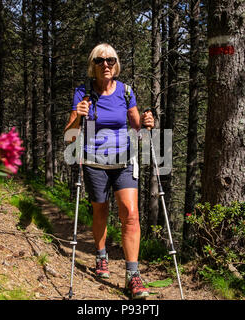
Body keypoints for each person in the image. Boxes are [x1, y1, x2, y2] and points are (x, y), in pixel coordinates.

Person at [64, 43, 155, 299]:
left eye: (111, 60)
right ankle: (101, 255)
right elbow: (70, 136)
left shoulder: (126, 92)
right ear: (92, 65)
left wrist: (148, 122)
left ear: (116, 65)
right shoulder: (83, 93)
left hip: (125, 161)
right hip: (94, 162)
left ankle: (132, 275)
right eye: (100, 61)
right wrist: (79, 116)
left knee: (130, 213)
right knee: (101, 210)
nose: (106, 64)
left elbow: (138, 128)